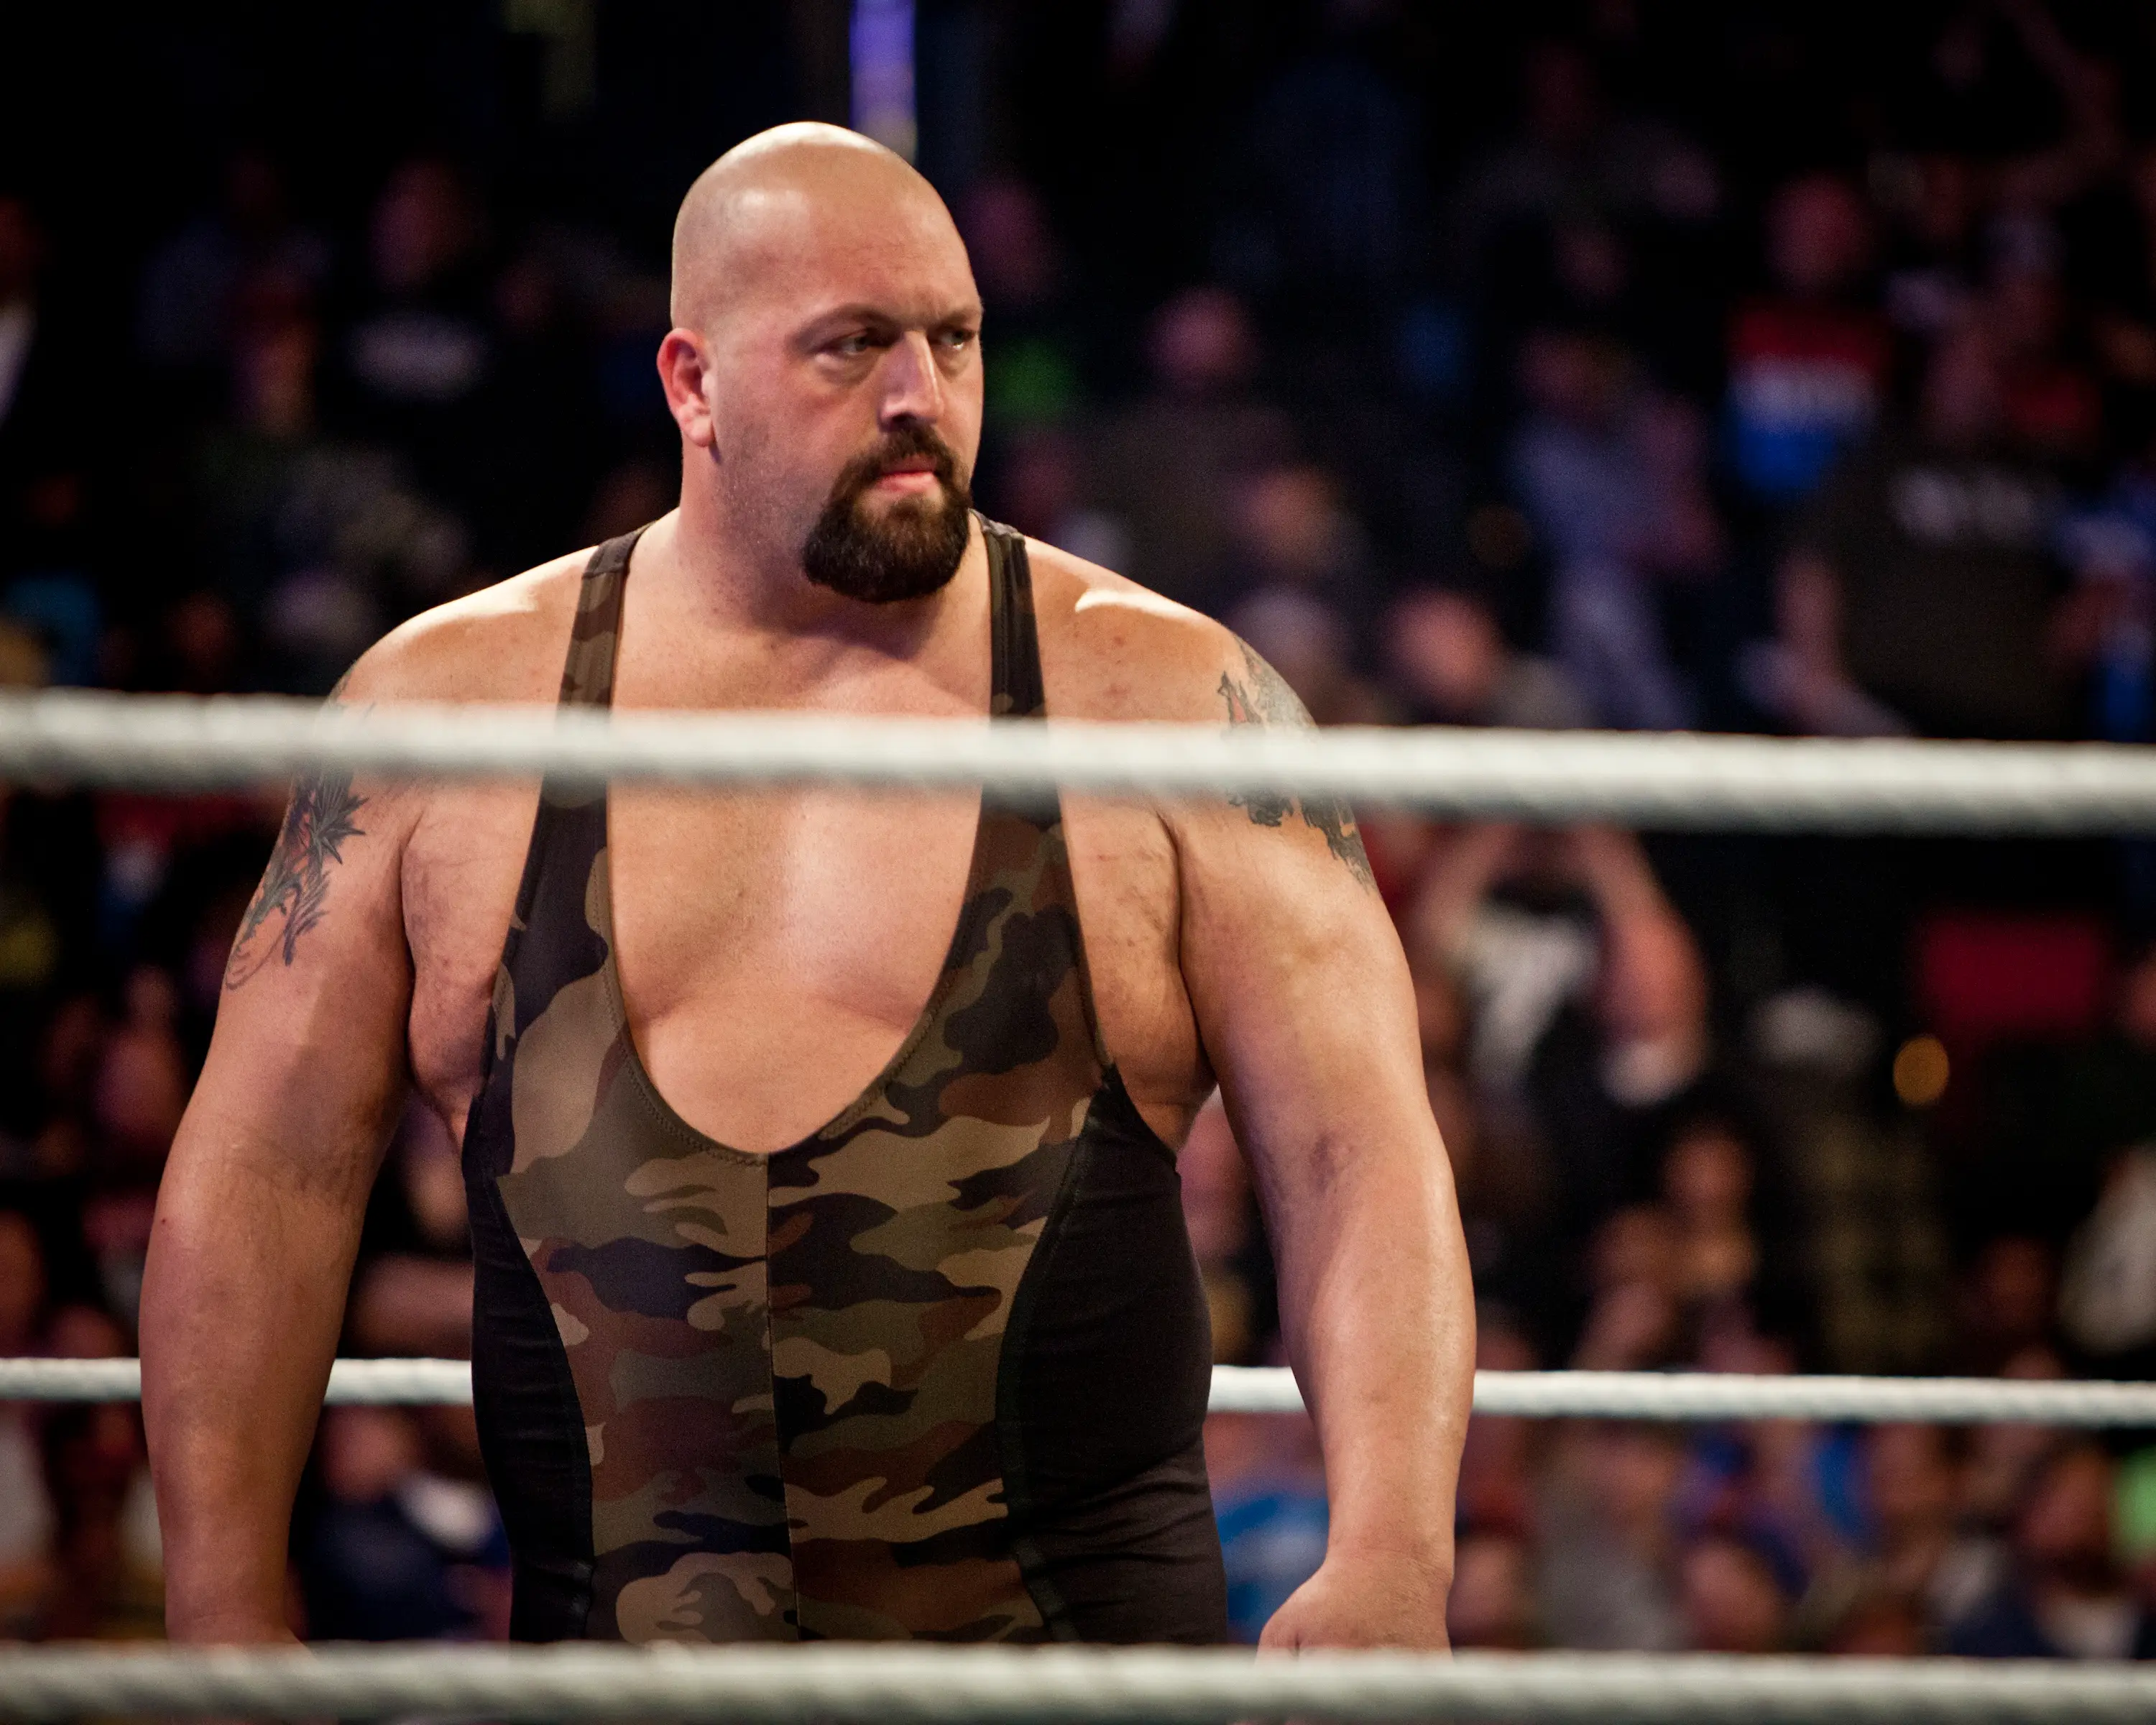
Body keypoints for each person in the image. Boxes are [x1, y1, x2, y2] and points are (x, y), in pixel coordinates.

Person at [141, 124, 1473, 1650]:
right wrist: (221, 1598)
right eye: (850, 348)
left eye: (953, 339)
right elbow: (266, 1173)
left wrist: (1388, 1552)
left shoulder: (1165, 702)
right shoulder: (449, 721)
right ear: (693, 384)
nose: (921, 397)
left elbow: (1354, 1155)